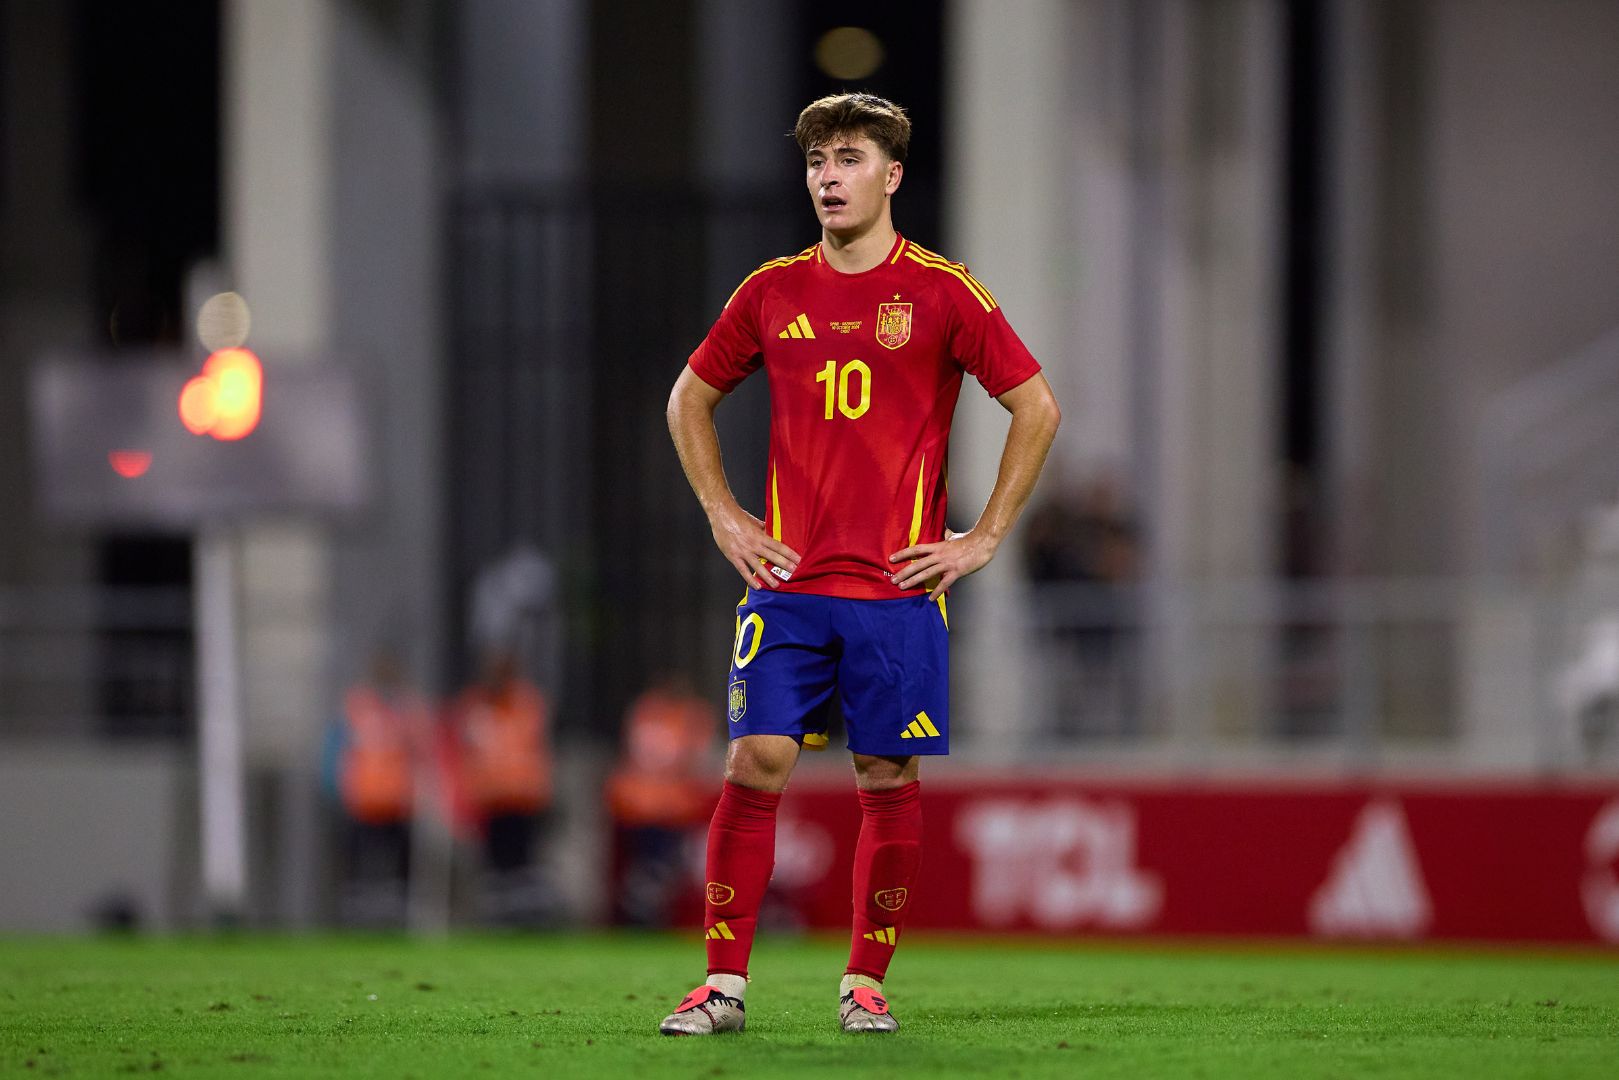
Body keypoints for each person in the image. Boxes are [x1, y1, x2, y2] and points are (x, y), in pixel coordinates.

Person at [659, 93, 1061, 1036]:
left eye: (847, 159)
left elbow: (1036, 407)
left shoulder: (942, 291)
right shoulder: (770, 291)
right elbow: (687, 399)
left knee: (885, 779)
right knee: (754, 760)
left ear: (892, 174)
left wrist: (982, 537)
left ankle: (864, 983)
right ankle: (721, 987)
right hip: (787, 586)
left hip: (897, 593)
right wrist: (724, 515)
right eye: (815, 163)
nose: (827, 178)